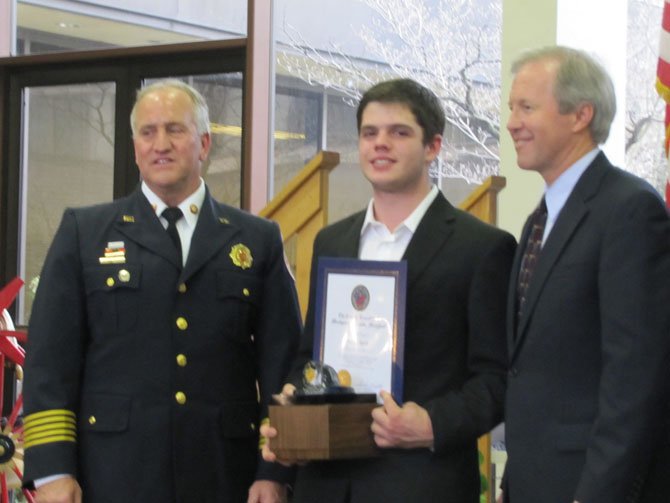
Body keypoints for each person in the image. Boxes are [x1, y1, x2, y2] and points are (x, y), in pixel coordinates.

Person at [21, 79, 301, 503]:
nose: (161, 144)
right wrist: (53, 470)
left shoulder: (256, 239)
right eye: (148, 132)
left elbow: (282, 366)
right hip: (112, 474)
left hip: (226, 476)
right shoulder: (85, 233)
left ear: (204, 143)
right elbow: (49, 365)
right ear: (135, 147)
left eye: (175, 130)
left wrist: (274, 470)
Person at [261, 78, 516, 503]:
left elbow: (497, 378)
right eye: (369, 133)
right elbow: (312, 357)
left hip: (421, 483)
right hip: (326, 485)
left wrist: (431, 423)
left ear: (433, 146)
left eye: (399, 132)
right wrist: (293, 405)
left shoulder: (482, 248)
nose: (381, 144)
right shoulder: (331, 240)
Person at [503, 46, 670, 503]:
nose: (512, 122)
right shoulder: (538, 220)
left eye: (527, 107)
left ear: (580, 115)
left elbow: (634, 381)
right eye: (511, 108)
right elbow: (530, 372)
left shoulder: (630, 211)